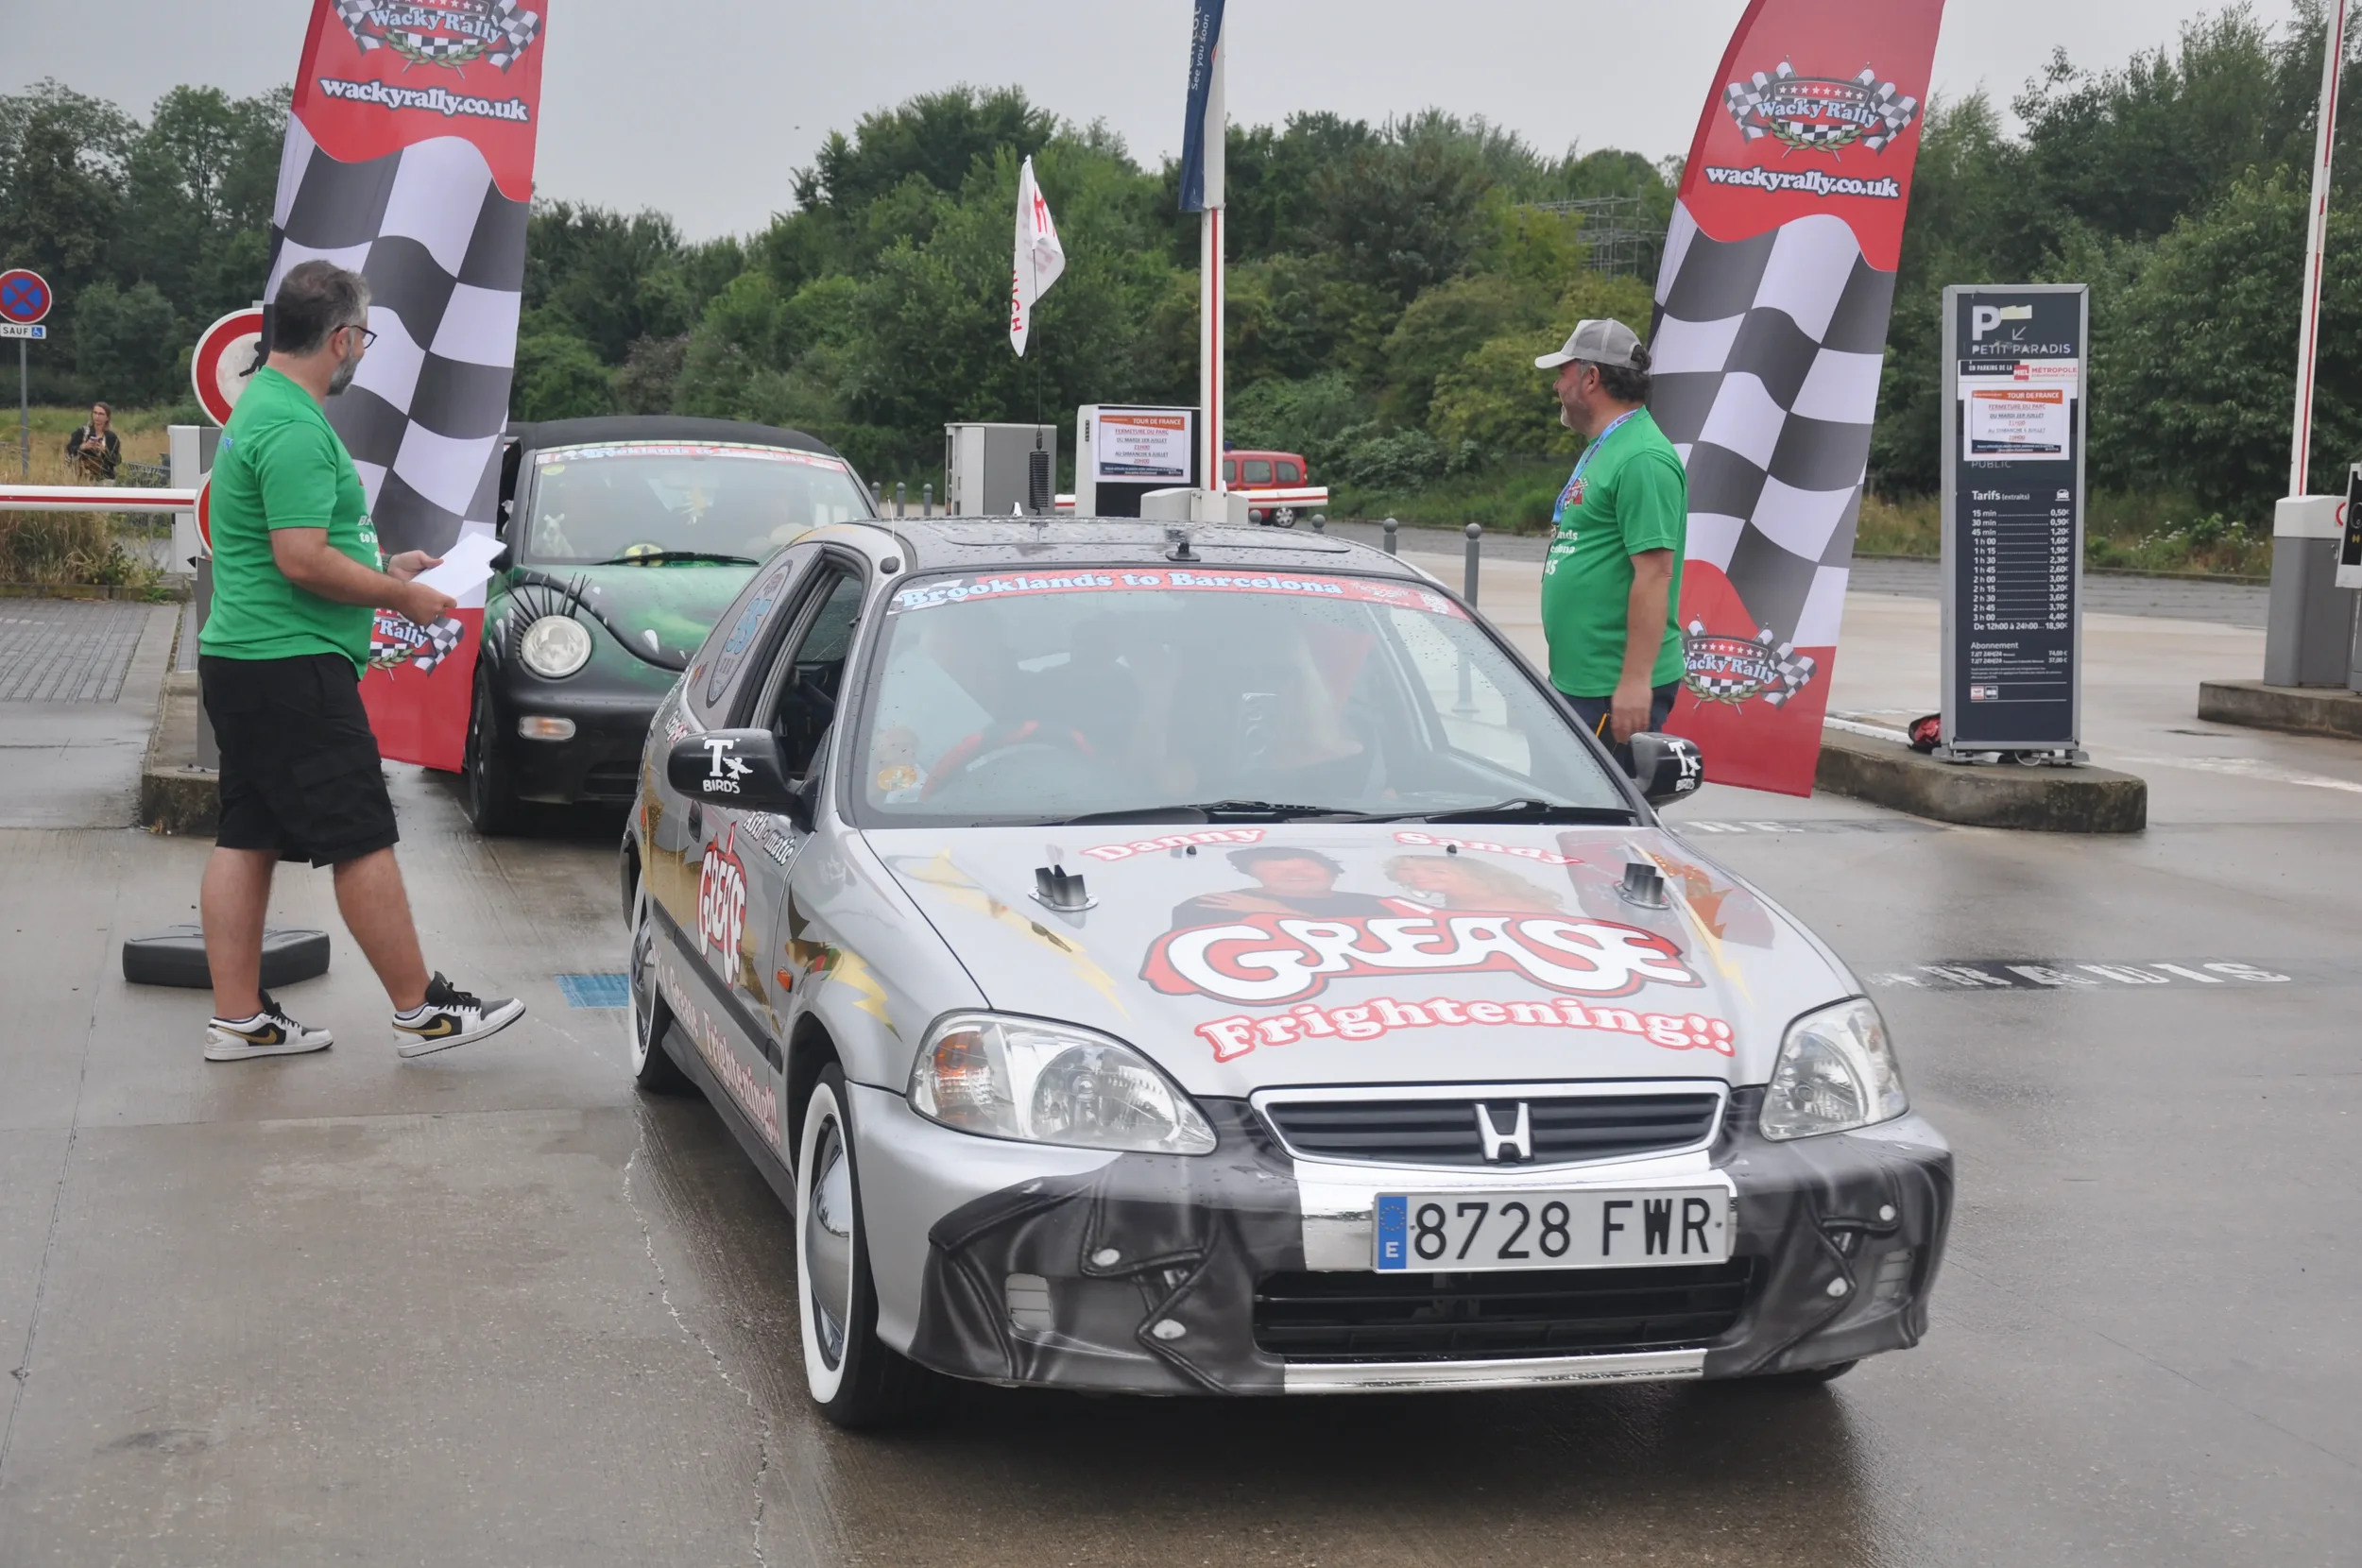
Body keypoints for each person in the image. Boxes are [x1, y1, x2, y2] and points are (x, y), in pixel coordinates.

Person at [196, 259, 524, 1064]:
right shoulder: (296, 427)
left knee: (248, 833)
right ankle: (423, 1013)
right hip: (291, 664)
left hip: (245, 657)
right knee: (361, 834)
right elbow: (301, 558)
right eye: (365, 339)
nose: (361, 354)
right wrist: (399, 597)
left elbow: (295, 545)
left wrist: (385, 567)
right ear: (341, 339)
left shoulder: (261, 406)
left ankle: (240, 1019)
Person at [1534, 318, 1688, 769]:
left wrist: (1636, 682)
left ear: (1592, 378)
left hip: (1612, 687)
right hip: (1583, 680)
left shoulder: (1642, 457)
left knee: (1600, 810)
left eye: (1562, 372)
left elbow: (1655, 573)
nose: (1557, 385)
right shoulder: (1609, 445)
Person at [1169, 845, 1399, 930]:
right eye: (1276, 868)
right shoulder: (1213, 905)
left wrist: (1281, 912)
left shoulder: (1374, 904)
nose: (1296, 874)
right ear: (1253, 874)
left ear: (1334, 872)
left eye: (1307, 867)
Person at [65, 402, 121, 481]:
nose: (97, 416)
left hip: (104, 477)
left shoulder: (111, 437)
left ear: (107, 418)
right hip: (81, 475)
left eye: (101, 414)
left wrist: (105, 451)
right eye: (95, 413)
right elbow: (69, 449)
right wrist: (83, 446)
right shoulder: (82, 432)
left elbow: (117, 460)